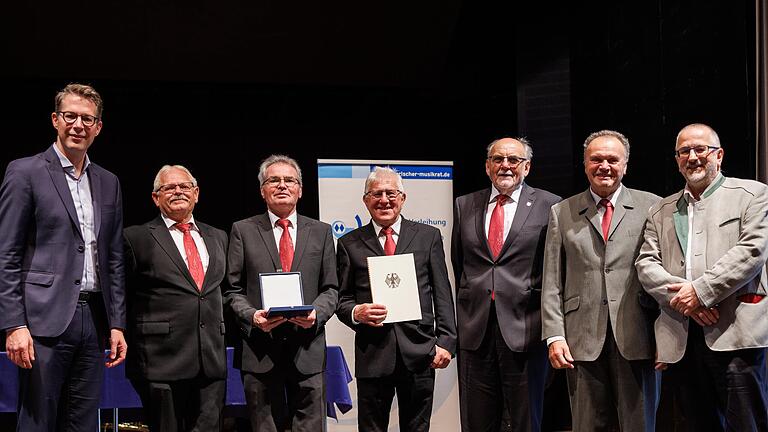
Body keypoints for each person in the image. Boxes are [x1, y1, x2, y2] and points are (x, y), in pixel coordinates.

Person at [0, 83, 127, 431]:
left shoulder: (108, 182)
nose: (78, 125)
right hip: (43, 320)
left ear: (98, 127)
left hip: (94, 319)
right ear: (55, 120)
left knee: (84, 423)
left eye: (87, 119)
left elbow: (113, 258)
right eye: (70, 116)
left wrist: (117, 323)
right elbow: (7, 253)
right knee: (38, 422)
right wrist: (14, 324)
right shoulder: (25, 171)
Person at [635, 123, 768, 431]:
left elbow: (751, 252)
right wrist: (687, 302)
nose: (692, 157)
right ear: (677, 159)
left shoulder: (753, 195)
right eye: (684, 151)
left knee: (746, 424)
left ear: (718, 156)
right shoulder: (661, 209)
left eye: (700, 149)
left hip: (738, 335)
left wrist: (701, 292)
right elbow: (646, 264)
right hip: (682, 338)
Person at [541, 130, 660, 431]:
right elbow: (552, 280)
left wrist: (668, 336)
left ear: (625, 165)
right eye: (596, 159)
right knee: (586, 425)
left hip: (638, 335)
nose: (604, 166)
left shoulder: (652, 207)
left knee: (639, 425)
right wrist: (555, 336)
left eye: (612, 159)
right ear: (585, 164)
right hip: (580, 340)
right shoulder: (561, 212)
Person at [336, 166, 457, 432]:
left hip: (420, 351)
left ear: (402, 198)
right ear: (366, 200)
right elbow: (341, 299)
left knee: (417, 427)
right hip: (373, 354)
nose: (384, 200)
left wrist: (447, 341)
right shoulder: (349, 243)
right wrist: (357, 312)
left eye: (391, 193)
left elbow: (442, 293)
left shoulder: (428, 237)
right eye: (376, 194)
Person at [451, 137, 560, 432]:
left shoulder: (551, 205)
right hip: (476, 332)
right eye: (498, 159)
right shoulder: (465, 204)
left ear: (527, 166)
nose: (505, 166)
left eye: (513, 160)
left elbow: (553, 269)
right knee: (476, 422)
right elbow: (460, 264)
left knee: (526, 422)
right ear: (487, 167)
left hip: (526, 330)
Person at [225, 154, 338, 432]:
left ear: (300, 190)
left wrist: (317, 313)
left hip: (307, 347)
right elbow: (232, 289)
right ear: (262, 190)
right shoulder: (243, 230)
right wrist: (252, 316)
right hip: (260, 349)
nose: (282, 185)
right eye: (273, 180)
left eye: (289, 180)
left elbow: (331, 288)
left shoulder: (322, 232)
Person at [123, 165, 228, 431]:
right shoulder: (135, 237)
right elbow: (121, 292)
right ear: (156, 198)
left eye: (184, 186)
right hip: (160, 361)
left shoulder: (219, 236)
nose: (178, 191)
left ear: (196, 193)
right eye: (169, 187)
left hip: (211, 361)